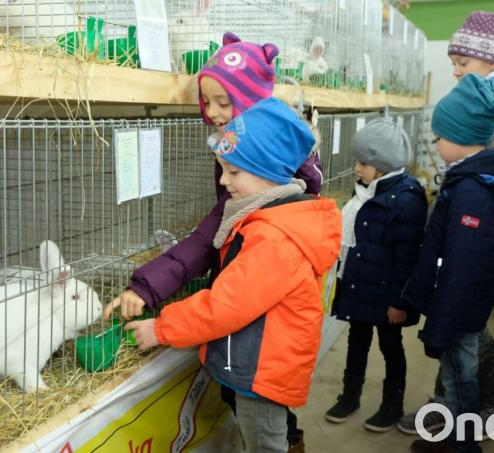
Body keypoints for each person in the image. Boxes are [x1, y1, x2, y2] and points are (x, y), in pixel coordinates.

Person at [103, 31, 321, 452]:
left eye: (225, 101)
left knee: (266, 431)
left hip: (262, 355)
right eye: (208, 101)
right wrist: (148, 285)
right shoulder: (259, 176)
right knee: (253, 416)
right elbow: (215, 234)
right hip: (256, 350)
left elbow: (228, 299)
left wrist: (162, 327)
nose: (215, 112)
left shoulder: (272, 218)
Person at [126, 97, 342, 453]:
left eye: (234, 172)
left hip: (262, 373)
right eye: (223, 169)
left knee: (264, 444)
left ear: (271, 172)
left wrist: (161, 328)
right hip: (260, 361)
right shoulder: (268, 217)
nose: (224, 181)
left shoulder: (274, 237)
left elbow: (225, 305)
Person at [397, 11, 494, 436]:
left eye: (463, 61)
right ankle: (478, 405)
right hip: (470, 241)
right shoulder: (488, 99)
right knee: (469, 329)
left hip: (480, 249)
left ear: (493, 60)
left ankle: (458, 409)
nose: (456, 70)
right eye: (454, 61)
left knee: (463, 330)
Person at [324, 118, 427, 432]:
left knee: (391, 345)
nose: (356, 168)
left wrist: (399, 301)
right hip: (359, 284)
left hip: (387, 294)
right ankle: (350, 396)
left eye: (362, 163)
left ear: (381, 166)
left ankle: (392, 404)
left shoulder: (407, 199)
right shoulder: (366, 192)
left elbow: (408, 257)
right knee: (357, 341)